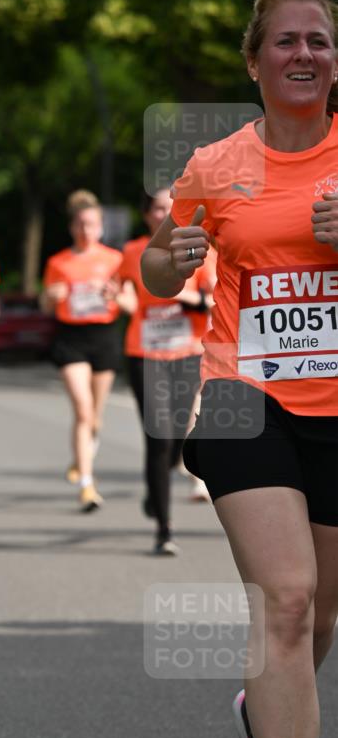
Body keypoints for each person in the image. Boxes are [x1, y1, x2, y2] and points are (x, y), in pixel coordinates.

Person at [141, 0, 338, 738]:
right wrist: (167, 258)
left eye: (321, 42)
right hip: (242, 397)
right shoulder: (217, 167)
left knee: (317, 621)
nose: (306, 54)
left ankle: (262, 727)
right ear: (256, 61)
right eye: (289, 42)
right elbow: (151, 266)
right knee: (286, 596)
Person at [119, 188, 211, 554]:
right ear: (147, 215)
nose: (164, 213)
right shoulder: (131, 252)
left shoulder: (200, 246)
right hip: (144, 352)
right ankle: (164, 527)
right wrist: (121, 300)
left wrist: (186, 297)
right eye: (158, 208)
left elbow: (215, 299)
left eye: (170, 208)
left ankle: (160, 485)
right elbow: (123, 293)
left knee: (176, 439)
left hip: (187, 352)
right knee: (157, 437)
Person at [40, 190, 123, 511]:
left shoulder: (114, 260)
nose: (85, 231)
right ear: (72, 227)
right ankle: (87, 485)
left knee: (96, 419)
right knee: (83, 409)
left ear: (101, 227)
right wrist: (52, 295)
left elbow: (130, 304)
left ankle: (82, 457)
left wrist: (115, 295)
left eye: (91, 225)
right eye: (80, 225)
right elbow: (45, 304)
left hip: (103, 336)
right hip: (71, 338)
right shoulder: (58, 262)